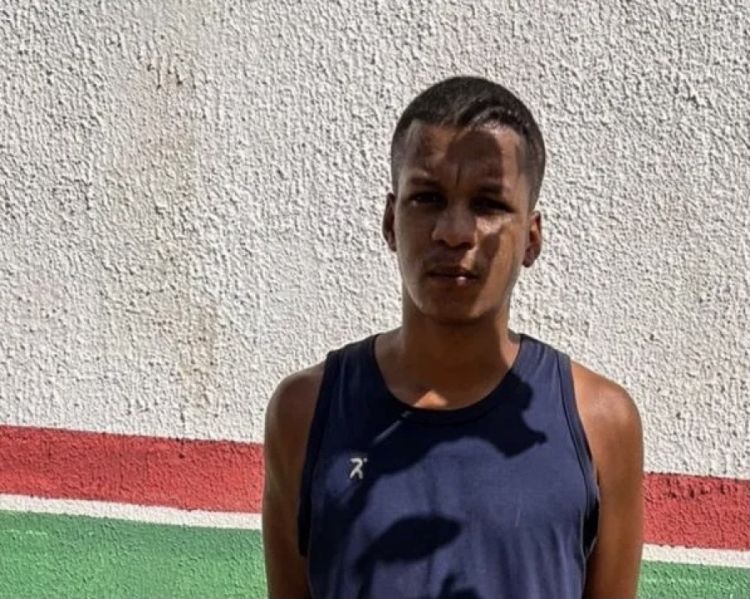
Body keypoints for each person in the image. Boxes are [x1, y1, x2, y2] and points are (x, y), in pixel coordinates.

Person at [262, 76, 644, 599]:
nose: (454, 232)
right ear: (390, 222)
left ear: (531, 238)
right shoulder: (305, 412)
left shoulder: (600, 421)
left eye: (488, 204)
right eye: (427, 198)